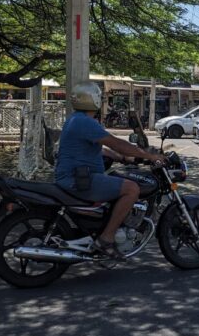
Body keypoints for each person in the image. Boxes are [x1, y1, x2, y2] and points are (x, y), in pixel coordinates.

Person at [55, 81, 164, 259]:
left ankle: (103, 228)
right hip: (78, 180)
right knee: (131, 189)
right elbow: (116, 143)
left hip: (77, 176)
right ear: (94, 99)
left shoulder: (76, 119)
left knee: (117, 180)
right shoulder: (85, 122)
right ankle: (106, 239)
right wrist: (149, 156)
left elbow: (101, 148)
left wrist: (122, 158)